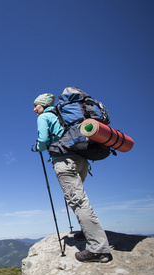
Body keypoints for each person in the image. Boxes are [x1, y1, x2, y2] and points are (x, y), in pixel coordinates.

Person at [33, 93, 112, 263]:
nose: (34, 109)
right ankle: (89, 232)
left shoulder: (45, 116)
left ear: (43, 105)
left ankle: (98, 249)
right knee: (80, 200)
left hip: (64, 162)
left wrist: (37, 147)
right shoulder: (62, 116)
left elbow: (44, 140)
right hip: (81, 161)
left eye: (36, 105)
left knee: (78, 202)